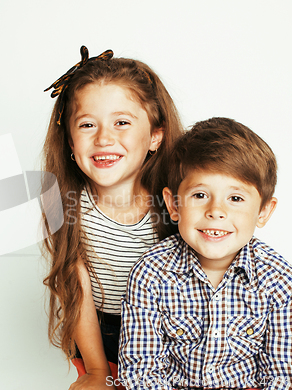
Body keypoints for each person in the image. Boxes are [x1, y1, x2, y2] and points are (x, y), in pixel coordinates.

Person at [119, 117, 292, 390]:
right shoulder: (150, 274)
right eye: (199, 195)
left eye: (235, 198)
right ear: (174, 205)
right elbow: (141, 371)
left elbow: (286, 376)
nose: (216, 211)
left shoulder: (279, 281)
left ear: (264, 211)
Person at [41, 46, 183, 389]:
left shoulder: (177, 203)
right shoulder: (67, 206)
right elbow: (76, 290)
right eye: (88, 124)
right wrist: (95, 370)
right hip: (99, 335)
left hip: (171, 330)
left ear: (155, 135)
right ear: (71, 144)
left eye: (121, 122)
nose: (104, 138)